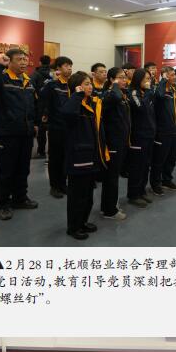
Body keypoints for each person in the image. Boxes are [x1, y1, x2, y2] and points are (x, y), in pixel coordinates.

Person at [0, 48, 39, 221]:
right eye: (19, 59)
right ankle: (4, 204)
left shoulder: (28, 81)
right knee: (6, 171)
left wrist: (34, 123)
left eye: (25, 59)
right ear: (10, 61)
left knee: (23, 168)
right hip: (7, 133)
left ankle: (20, 198)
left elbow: (33, 104)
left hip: (26, 133)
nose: (23, 63)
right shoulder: (2, 79)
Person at [60, 71, 106, 240]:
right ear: (77, 87)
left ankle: (83, 222)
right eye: (86, 84)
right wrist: (77, 95)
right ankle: (73, 227)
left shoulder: (91, 104)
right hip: (78, 157)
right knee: (76, 196)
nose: (90, 86)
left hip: (91, 156)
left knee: (87, 195)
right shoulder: (73, 104)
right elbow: (67, 114)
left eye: (90, 83)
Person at [40, 56, 73, 199]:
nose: (69, 68)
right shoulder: (52, 84)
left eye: (71, 65)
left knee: (66, 157)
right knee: (55, 158)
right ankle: (54, 186)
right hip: (56, 127)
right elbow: (42, 98)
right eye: (66, 66)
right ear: (58, 68)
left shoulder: (72, 84)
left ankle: (63, 183)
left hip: (69, 127)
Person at [99, 67, 130, 222]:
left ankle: (109, 205)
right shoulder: (111, 94)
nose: (124, 80)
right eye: (120, 77)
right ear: (111, 80)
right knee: (111, 178)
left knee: (114, 176)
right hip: (112, 143)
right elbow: (116, 96)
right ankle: (109, 210)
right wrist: (116, 85)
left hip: (120, 141)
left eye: (125, 77)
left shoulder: (120, 94)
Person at [125, 68, 156, 208]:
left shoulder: (146, 93)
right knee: (136, 166)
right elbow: (141, 108)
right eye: (145, 79)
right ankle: (133, 195)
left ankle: (141, 191)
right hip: (138, 136)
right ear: (138, 80)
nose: (148, 82)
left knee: (146, 165)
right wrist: (149, 92)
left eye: (149, 79)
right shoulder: (133, 92)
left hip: (149, 134)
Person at [151, 66, 176, 195]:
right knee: (159, 160)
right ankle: (155, 183)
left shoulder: (175, 90)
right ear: (165, 76)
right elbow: (159, 95)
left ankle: (166, 180)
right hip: (162, 131)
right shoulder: (159, 90)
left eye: (174, 75)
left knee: (171, 158)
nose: (175, 77)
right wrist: (163, 81)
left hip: (174, 130)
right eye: (172, 75)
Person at [30, 54, 53, 158]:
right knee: (53, 129)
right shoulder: (54, 73)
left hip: (41, 105)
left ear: (40, 62)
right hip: (53, 104)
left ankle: (41, 151)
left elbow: (30, 87)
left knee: (42, 130)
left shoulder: (36, 74)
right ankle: (52, 151)